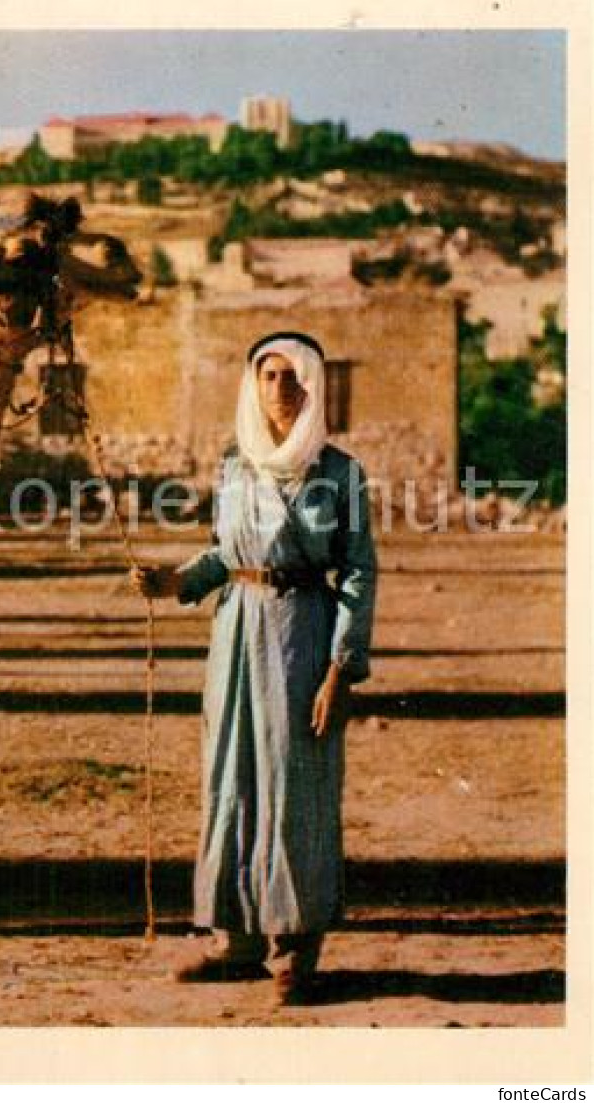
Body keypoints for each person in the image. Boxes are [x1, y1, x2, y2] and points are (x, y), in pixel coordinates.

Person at [130, 331, 377, 1006]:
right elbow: (220, 553)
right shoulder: (234, 467)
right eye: (268, 374)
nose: (281, 387)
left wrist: (340, 670)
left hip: (303, 630)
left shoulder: (337, 472)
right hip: (235, 629)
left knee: (294, 780)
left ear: (312, 386)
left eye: (294, 376)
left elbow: (357, 571)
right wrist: (171, 582)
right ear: (251, 383)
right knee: (231, 774)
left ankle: (293, 947)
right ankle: (234, 937)